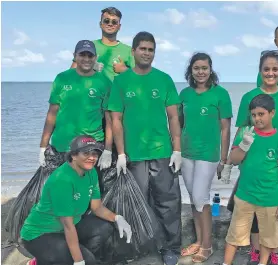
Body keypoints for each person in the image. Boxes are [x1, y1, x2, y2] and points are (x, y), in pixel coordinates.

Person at [108, 31, 182, 265]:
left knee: (168, 203)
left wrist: (177, 150)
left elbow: (173, 117)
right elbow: (116, 119)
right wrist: (119, 153)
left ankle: (170, 247)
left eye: (151, 50)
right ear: (133, 51)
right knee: (135, 203)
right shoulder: (121, 81)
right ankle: (137, 247)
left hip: (162, 153)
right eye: (143, 49)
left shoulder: (164, 79)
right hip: (134, 156)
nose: (147, 53)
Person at [221, 50, 278, 265]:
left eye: (275, 69)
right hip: (252, 166)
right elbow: (241, 131)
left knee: (273, 218)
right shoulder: (249, 97)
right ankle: (255, 251)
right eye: (266, 69)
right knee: (248, 215)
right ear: (260, 71)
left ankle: (271, 252)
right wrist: (229, 161)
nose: (271, 73)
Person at [21, 135, 132, 265]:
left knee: (104, 228)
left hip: (67, 228)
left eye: (95, 153)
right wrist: (79, 261)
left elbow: (97, 208)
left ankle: (65, 257)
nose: (92, 158)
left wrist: (117, 218)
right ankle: (42, 261)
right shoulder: (62, 180)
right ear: (73, 156)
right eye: (86, 153)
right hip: (40, 234)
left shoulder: (91, 172)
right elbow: (68, 225)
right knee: (86, 261)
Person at [179, 52, 233, 262]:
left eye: (204, 68)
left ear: (210, 70)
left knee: (201, 197)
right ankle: (199, 241)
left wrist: (224, 159)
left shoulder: (221, 94)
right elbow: (179, 124)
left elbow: (225, 130)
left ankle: (208, 246)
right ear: (191, 71)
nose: (200, 72)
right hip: (186, 154)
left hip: (208, 155)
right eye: (196, 68)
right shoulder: (184, 94)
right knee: (194, 199)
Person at [39, 40, 113, 187]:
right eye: (82, 55)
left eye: (90, 55)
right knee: (64, 189)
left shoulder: (104, 82)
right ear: (74, 56)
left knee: (90, 190)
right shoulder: (62, 78)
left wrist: (108, 150)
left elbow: (109, 119)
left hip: (92, 146)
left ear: (95, 57)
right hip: (62, 146)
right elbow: (52, 113)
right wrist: (43, 146)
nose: (86, 59)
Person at [71, 7, 134, 82]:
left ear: (119, 26)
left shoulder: (129, 50)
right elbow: (71, 75)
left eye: (114, 22)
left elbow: (140, 78)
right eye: (106, 21)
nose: (110, 24)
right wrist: (89, 67)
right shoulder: (87, 46)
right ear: (100, 24)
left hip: (117, 93)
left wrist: (125, 70)